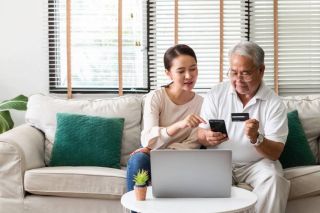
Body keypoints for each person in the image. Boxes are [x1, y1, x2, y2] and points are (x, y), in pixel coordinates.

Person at [197, 41, 290, 213]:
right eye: (233, 72)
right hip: (219, 160)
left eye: (245, 73)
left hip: (256, 164)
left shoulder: (274, 103)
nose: (237, 80)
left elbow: (275, 152)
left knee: (274, 178)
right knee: (203, 181)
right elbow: (200, 133)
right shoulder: (215, 94)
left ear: (261, 70)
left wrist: (257, 138)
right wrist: (207, 136)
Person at [126, 44, 205, 192]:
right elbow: (148, 138)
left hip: (183, 158)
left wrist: (159, 150)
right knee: (138, 159)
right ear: (168, 73)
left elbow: (193, 144)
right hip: (153, 157)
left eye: (193, 69)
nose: (189, 76)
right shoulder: (156, 97)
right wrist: (179, 125)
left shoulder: (202, 103)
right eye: (181, 71)